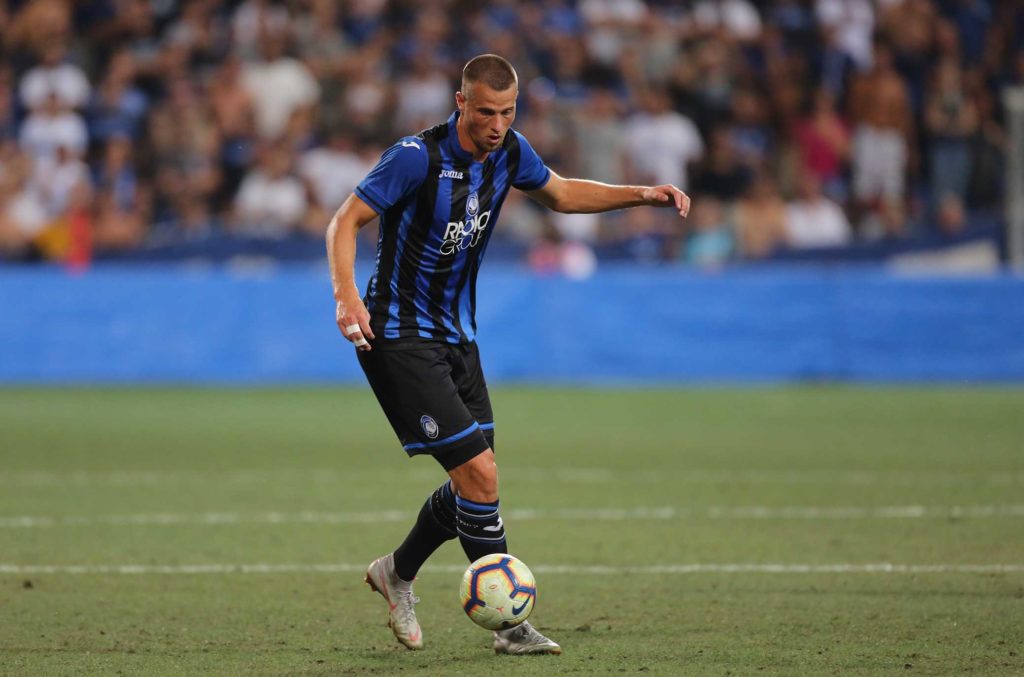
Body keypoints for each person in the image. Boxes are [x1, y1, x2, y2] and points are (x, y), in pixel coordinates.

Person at [325, 54, 690, 656]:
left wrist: (641, 194)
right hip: (398, 335)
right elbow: (345, 222)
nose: (497, 125)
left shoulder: (511, 152)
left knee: (475, 482)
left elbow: (563, 193)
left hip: (457, 335)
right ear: (461, 102)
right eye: (487, 112)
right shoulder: (416, 157)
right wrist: (346, 298)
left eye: (508, 112)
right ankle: (512, 627)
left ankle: (396, 572)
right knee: (480, 474)